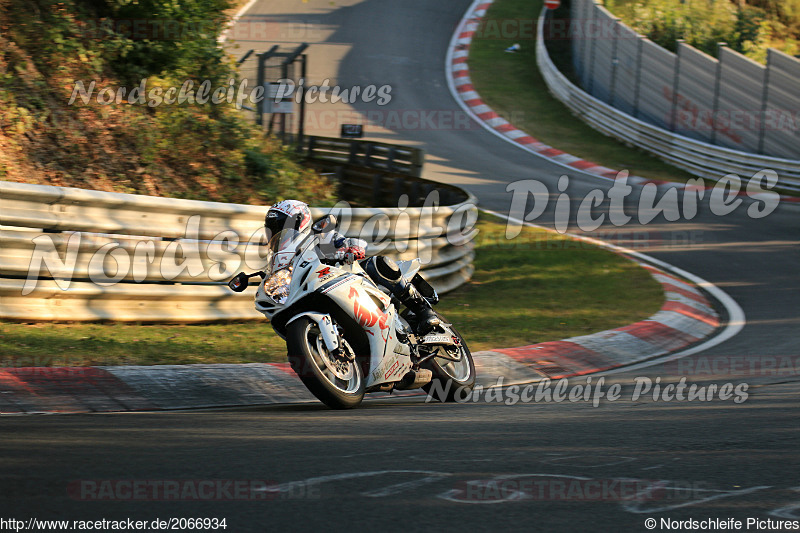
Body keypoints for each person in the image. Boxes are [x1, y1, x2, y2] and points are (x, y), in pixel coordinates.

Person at [246, 199, 441, 336]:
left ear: (300, 220)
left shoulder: (319, 236)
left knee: (378, 263)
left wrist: (351, 248)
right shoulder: (284, 262)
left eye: (283, 226)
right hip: (324, 293)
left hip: (353, 280)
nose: (279, 233)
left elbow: (351, 242)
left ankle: (424, 310)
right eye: (275, 229)